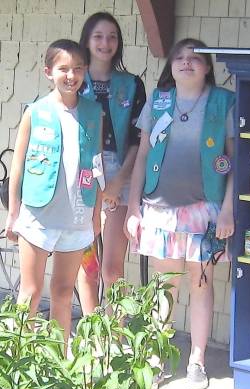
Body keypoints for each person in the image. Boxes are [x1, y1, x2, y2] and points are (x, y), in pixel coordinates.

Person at [125, 38, 235, 389]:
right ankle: (158, 357)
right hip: (160, 210)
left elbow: (235, 162)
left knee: (201, 285)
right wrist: (132, 207)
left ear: (207, 67)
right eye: (180, 58)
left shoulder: (223, 103)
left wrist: (230, 209)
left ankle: (197, 361)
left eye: (196, 58)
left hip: (204, 211)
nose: (187, 63)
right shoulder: (158, 103)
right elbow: (142, 156)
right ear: (170, 66)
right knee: (164, 287)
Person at [4, 39, 103, 343]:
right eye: (63, 69)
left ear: (85, 71)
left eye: (78, 69)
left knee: (62, 291)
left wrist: (96, 214)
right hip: (38, 215)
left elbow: (97, 167)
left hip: (76, 216)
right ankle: (20, 359)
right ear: (48, 71)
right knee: (31, 292)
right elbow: (17, 167)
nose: (71, 75)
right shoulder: (35, 112)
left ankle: (60, 361)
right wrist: (13, 214)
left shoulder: (93, 112)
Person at [77, 12, 146, 314]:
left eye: (112, 37)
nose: (106, 43)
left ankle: (114, 339)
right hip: (82, 175)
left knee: (112, 269)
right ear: (87, 41)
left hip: (122, 172)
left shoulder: (132, 84)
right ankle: (92, 337)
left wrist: (118, 182)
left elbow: (137, 139)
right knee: (88, 264)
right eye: (98, 36)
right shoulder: (75, 80)